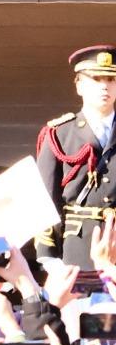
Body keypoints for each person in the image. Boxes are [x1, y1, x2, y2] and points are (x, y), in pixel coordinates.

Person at [36, 45, 116, 268]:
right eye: (96, 79)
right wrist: (48, 256)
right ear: (79, 85)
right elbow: (45, 198)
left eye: (111, 79)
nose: (104, 86)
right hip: (77, 250)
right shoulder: (59, 133)